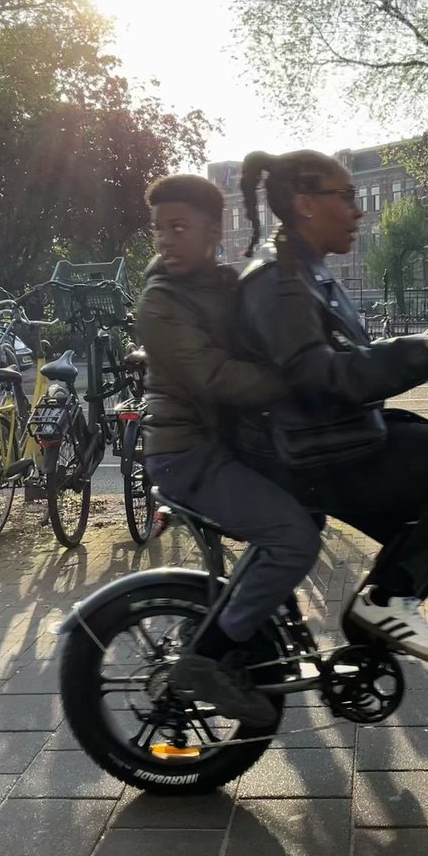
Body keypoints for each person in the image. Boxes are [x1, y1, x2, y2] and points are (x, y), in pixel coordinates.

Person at [230, 149, 428, 666]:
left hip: (331, 441)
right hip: (313, 456)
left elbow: (347, 367)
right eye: (347, 196)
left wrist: (420, 348)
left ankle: (367, 650)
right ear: (306, 204)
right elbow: (317, 377)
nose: (358, 210)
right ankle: (383, 604)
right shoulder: (278, 281)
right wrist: (413, 354)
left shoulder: (309, 273)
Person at [136, 174, 321, 727]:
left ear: (214, 231)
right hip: (188, 455)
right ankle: (209, 657)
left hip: (225, 446)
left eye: (178, 227)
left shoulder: (221, 283)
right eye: (158, 229)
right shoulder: (161, 302)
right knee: (293, 539)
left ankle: (256, 630)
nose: (165, 240)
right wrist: (296, 379)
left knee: (319, 492)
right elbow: (214, 376)